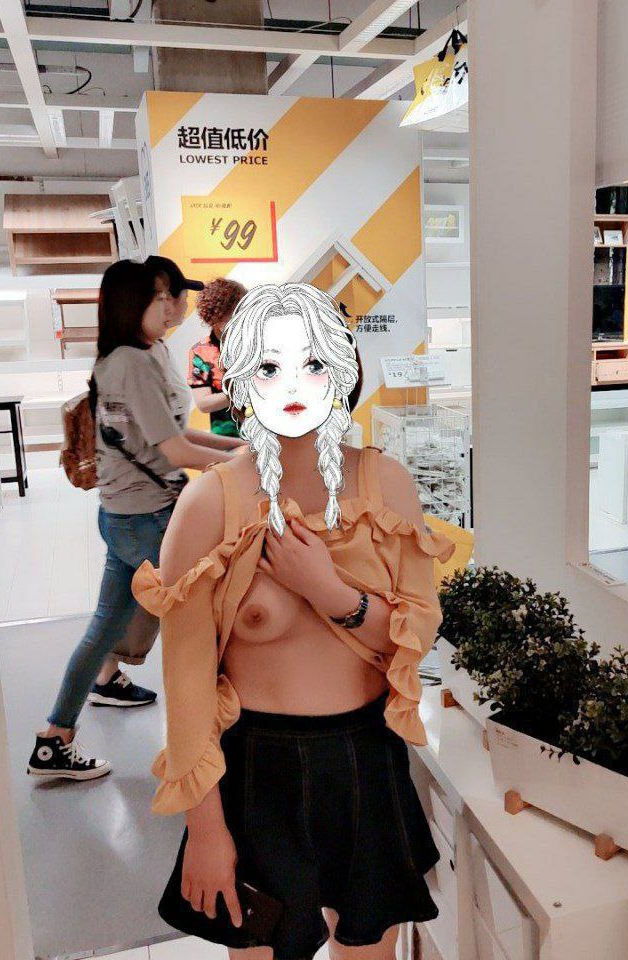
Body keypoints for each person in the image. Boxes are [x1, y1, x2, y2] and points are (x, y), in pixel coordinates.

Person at [132, 282, 454, 960]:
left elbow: (414, 636)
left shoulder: (385, 485)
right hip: (256, 769)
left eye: (312, 362)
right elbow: (187, 684)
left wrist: (331, 593)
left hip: (367, 757)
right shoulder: (210, 506)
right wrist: (205, 830)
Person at [28, 259, 244, 782]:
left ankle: (55, 739)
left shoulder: (147, 353)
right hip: (146, 519)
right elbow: (175, 451)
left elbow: (176, 435)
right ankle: (215, 744)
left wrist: (238, 447)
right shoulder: (130, 362)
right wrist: (241, 463)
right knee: (206, 620)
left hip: (129, 515)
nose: (175, 305)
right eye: (163, 296)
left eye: (174, 295)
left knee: (104, 630)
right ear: (134, 304)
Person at [188, 277, 247, 438]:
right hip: (229, 440)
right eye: (235, 313)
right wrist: (239, 392)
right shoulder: (201, 352)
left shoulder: (262, 341)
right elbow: (203, 403)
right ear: (216, 317)